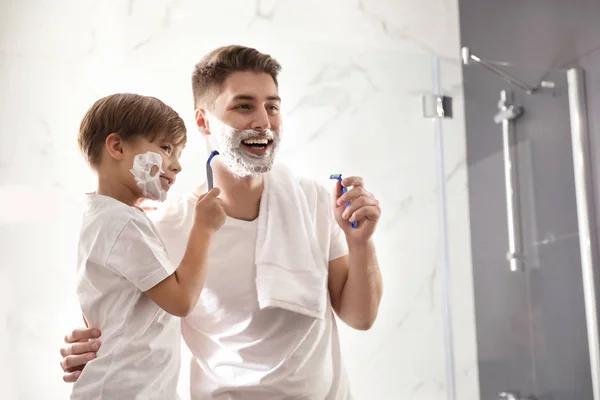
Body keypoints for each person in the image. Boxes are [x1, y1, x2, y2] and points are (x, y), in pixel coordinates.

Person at [60, 46, 383, 399]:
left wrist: (361, 242)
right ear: (203, 122)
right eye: (244, 106)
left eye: (272, 106)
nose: (264, 121)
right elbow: (125, 318)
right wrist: (88, 349)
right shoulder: (167, 227)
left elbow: (360, 317)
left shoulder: (314, 201)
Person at [70, 93, 226, 399]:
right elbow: (180, 301)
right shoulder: (124, 223)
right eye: (166, 148)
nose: (177, 166)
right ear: (117, 147)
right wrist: (203, 228)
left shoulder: (102, 216)